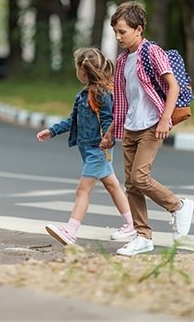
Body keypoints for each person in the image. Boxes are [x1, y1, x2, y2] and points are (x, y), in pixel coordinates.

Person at [101, 0, 194, 256]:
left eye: (123, 31)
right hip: (131, 127)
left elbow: (173, 86)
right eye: (116, 32)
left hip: (152, 125)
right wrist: (111, 130)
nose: (118, 37)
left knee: (140, 177)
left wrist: (165, 119)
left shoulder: (151, 52)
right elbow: (123, 101)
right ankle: (143, 236)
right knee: (131, 185)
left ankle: (178, 206)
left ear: (139, 29)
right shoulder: (122, 62)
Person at [37, 47, 136, 246]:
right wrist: (53, 131)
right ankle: (132, 225)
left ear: (83, 70)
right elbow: (72, 120)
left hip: (97, 150)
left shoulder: (102, 94)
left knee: (82, 190)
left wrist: (107, 141)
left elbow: (110, 120)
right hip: (90, 150)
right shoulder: (82, 95)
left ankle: (71, 232)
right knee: (112, 185)